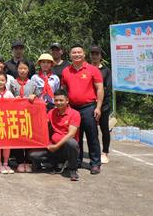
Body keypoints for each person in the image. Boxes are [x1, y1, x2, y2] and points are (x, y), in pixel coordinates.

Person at [61, 44, 104, 175]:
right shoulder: (66, 71)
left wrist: (98, 107)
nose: (77, 55)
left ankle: (95, 163)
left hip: (88, 107)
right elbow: (64, 90)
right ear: (70, 55)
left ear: (84, 54)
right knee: (75, 137)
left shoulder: (92, 69)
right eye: (74, 53)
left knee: (92, 136)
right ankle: (76, 161)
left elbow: (100, 88)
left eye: (79, 52)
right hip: (72, 109)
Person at [29, 89, 80, 181]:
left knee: (71, 143)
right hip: (53, 147)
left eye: (61, 100)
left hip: (65, 148)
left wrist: (56, 146)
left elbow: (71, 134)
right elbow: (42, 122)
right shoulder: (51, 112)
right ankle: (55, 164)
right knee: (33, 155)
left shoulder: (75, 114)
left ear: (67, 101)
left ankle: (73, 170)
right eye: (56, 100)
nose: (58, 103)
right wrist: (37, 102)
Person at [8, 60, 39, 172]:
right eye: (20, 68)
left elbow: (39, 97)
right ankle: (20, 161)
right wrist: (13, 99)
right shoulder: (12, 83)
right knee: (18, 138)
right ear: (17, 69)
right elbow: (8, 97)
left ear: (28, 70)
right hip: (16, 115)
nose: (22, 71)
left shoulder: (33, 83)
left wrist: (34, 96)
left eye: (25, 68)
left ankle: (29, 162)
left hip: (29, 115)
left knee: (29, 137)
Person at [89, 44, 112, 164]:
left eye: (96, 54)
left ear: (100, 56)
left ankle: (105, 152)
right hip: (89, 104)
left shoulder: (106, 71)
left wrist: (99, 100)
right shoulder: (87, 68)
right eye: (92, 54)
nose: (94, 56)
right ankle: (95, 152)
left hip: (103, 104)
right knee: (92, 130)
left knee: (104, 128)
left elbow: (107, 88)